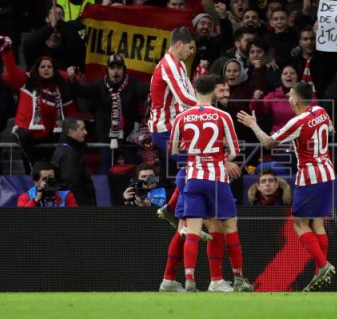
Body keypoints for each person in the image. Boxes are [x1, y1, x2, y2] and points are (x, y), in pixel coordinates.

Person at [237, 82, 336, 291]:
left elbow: (269, 143)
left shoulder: (297, 122)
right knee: (317, 223)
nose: (288, 99)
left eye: (290, 96)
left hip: (310, 176)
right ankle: (319, 273)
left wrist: (254, 125)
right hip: (327, 172)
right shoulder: (322, 111)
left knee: (299, 224)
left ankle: (323, 265)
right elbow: (331, 130)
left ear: (296, 100)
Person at [169, 75, 253, 292]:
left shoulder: (181, 117)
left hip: (193, 178)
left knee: (193, 230)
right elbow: (234, 151)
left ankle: (189, 280)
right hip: (216, 178)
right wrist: (218, 156)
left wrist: (195, 155)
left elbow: (173, 150)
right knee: (229, 225)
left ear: (195, 90)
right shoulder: (223, 116)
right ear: (214, 91)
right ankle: (237, 278)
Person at [0, 35, 79, 173]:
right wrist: (6, 51)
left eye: (49, 67)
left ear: (54, 70)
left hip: (48, 138)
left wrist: (72, 78)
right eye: (43, 67)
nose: (46, 69)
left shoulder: (59, 89)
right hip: (27, 138)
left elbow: (71, 114)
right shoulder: (26, 81)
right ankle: (35, 167)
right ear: (37, 69)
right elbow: (11, 71)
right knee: (25, 144)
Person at [68, 54, 149, 173]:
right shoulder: (99, 84)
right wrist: (71, 80)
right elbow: (82, 91)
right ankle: (104, 191)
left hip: (128, 137)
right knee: (105, 168)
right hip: (106, 137)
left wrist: (160, 78)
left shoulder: (132, 83)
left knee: (133, 166)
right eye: (112, 68)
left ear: (124, 70)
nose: (115, 72)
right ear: (107, 70)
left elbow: (145, 89)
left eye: (119, 68)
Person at [148, 26, 197, 182]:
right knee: (196, 166)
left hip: (175, 127)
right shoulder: (168, 66)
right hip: (164, 130)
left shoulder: (180, 65)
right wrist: (208, 109)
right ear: (178, 45)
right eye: (190, 48)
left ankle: (174, 206)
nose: (191, 52)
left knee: (192, 167)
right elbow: (183, 98)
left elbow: (191, 93)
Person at [51, 117, 97, 206]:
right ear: (71, 132)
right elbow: (72, 186)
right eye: (82, 129)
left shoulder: (67, 150)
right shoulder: (68, 154)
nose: (85, 132)